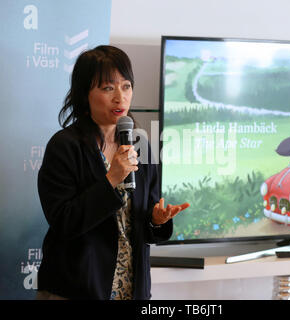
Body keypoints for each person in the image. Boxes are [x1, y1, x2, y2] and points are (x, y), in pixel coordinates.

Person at [36, 45, 189, 300]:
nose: (120, 97)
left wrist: (157, 219)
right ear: (85, 94)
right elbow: (64, 221)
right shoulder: (64, 146)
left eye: (126, 86)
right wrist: (111, 180)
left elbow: (142, 222)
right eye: (108, 88)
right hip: (77, 289)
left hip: (131, 288)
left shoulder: (139, 143)